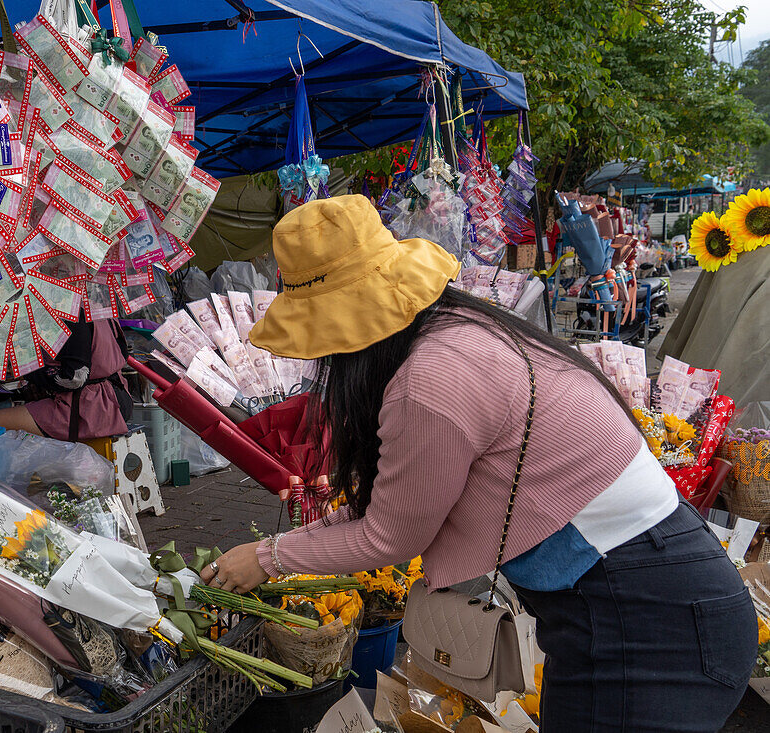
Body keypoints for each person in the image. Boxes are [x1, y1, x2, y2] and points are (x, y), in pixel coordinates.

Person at [199, 195, 756, 732]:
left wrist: (269, 556)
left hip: (651, 619)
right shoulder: (457, 334)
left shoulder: (430, 380)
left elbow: (389, 538)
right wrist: (275, 551)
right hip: (643, 597)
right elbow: (389, 509)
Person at [0, 312, 132, 442]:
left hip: (89, 408)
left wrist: (26, 371)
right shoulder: (97, 303)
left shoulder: (73, 313)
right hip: (117, 396)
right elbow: (123, 353)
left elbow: (74, 378)